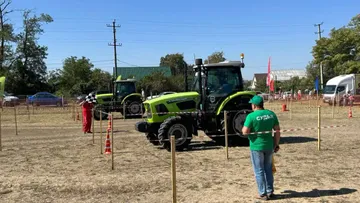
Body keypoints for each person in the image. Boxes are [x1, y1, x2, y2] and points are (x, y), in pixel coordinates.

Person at [242, 95, 281, 200]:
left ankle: (262, 193)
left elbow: (244, 132)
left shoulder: (251, 116)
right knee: (268, 169)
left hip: (256, 146)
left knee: (259, 170)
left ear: (254, 105)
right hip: (269, 146)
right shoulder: (271, 114)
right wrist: (276, 144)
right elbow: (277, 131)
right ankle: (270, 191)